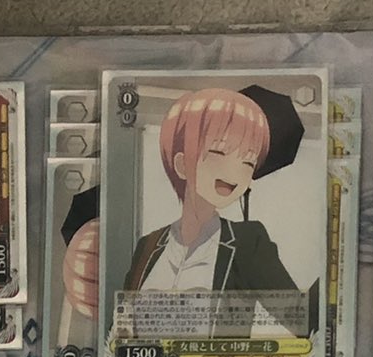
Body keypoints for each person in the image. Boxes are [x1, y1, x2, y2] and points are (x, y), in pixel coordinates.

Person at [119, 84, 311, 337]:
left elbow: (301, 319)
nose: (234, 172)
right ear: (181, 164)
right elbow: (121, 330)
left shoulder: (248, 243)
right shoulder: (148, 245)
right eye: (219, 151)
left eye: (248, 162)